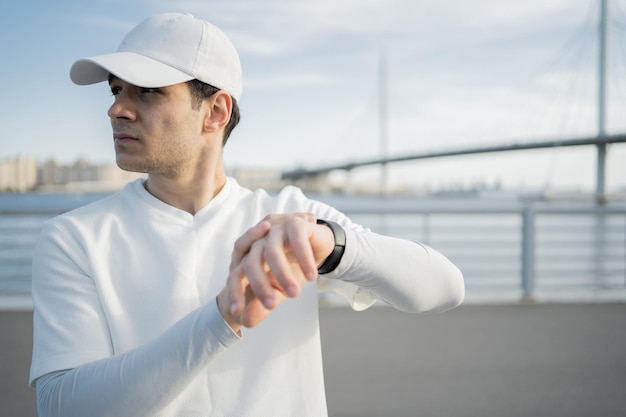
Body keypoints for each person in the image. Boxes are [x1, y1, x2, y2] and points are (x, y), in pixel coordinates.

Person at [29, 12, 464, 417]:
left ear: (215, 112)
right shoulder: (73, 238)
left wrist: (333, 246)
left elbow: (445, 287)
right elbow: (62, 406)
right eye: (116, 90)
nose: (116, 108)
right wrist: (222, 318)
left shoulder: (291, 217)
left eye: (146, 91)